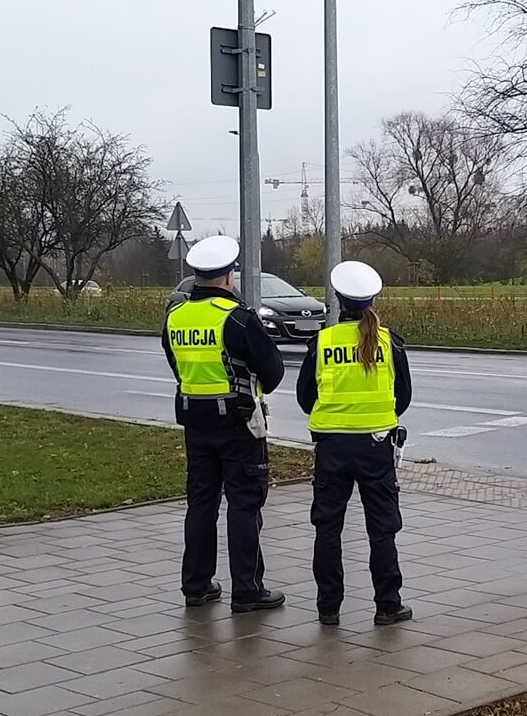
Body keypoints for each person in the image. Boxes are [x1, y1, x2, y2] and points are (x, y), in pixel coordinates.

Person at [162, 236, 286, 613]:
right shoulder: (237, 318)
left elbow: (177, 365)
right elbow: (274, 370)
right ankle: (247, 589)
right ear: (229, 276)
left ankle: (196, 586)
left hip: (195, 424)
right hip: (239, 423)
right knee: (244, 505)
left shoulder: (175, 316)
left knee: (200, 503)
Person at [297, 261, 414, 627]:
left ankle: (328, 608)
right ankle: (387, 605)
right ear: (372, 299)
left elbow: (304, 397)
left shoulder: (323, 341)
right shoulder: (388, 342)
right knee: (382, 528)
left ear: (338, 299)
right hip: (376, 448)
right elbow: (403, 397)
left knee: (328, 528)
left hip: (332, 448)